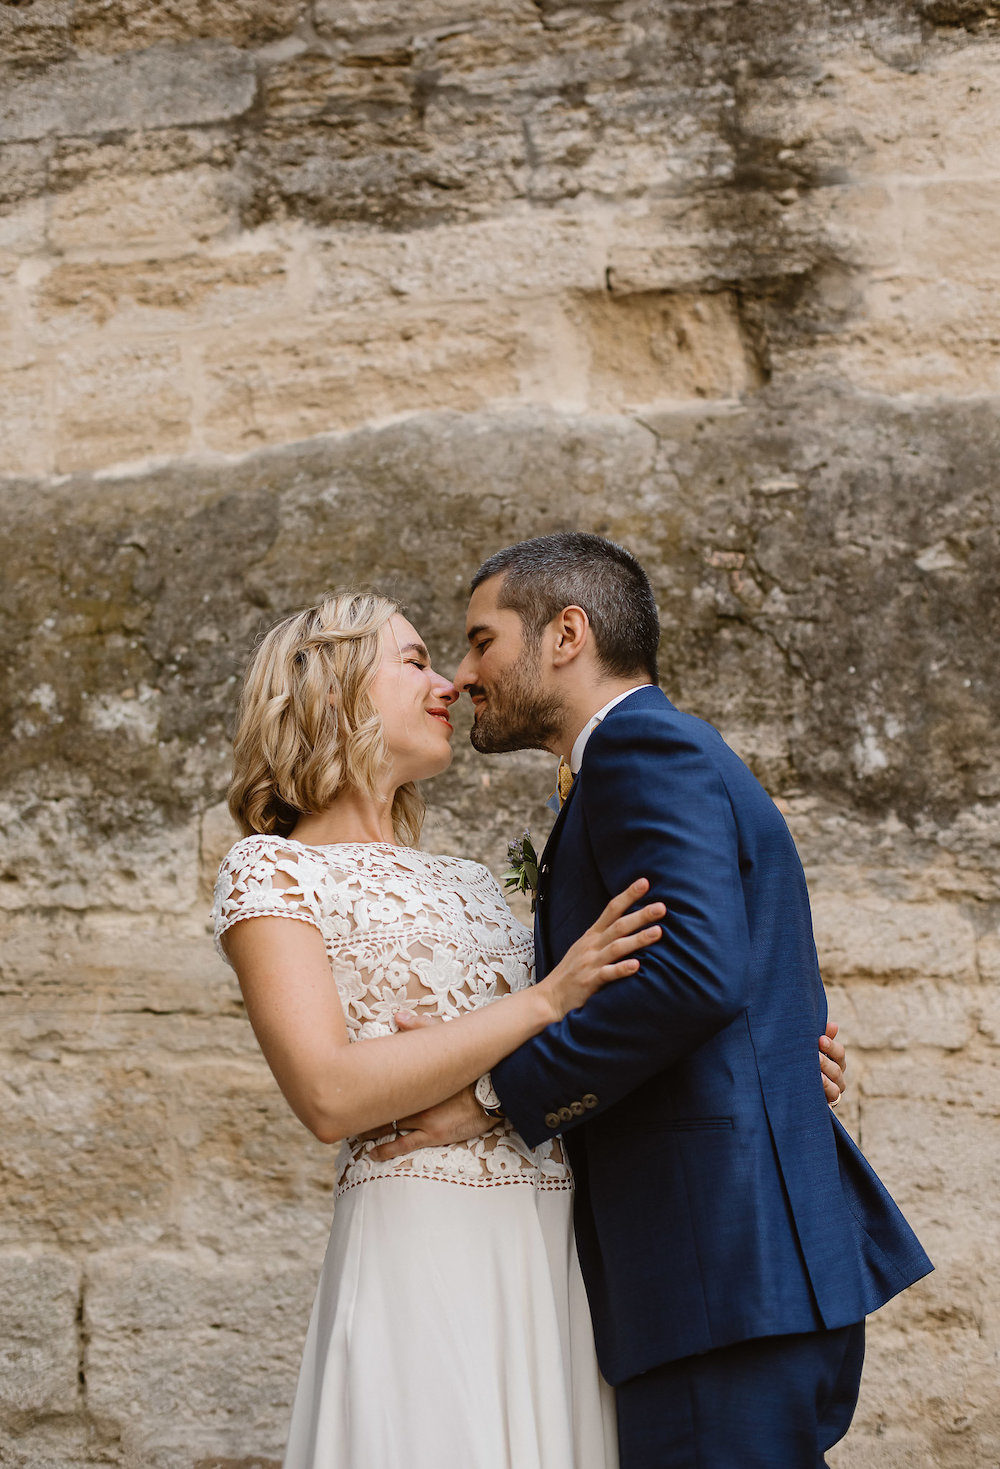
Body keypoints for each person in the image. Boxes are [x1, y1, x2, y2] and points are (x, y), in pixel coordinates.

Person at [212, 589, 847, 1469]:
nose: (448, 682)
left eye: (456, 653)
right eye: (416, 659)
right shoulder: (272, 872)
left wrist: (763, 1062)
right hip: (427, 1237)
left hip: (561, 1248)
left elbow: (635, 1014)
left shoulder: (476, 882)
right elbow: (327, 1092)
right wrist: (541, 1000)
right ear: (329, 691)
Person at [374, 533, 933, 1469]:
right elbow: (738, 969)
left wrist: (487, 1101)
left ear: (566, 633)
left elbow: (697, 975)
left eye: (481, 640)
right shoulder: (647, 755)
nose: (466, 672)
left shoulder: (642, 747)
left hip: (717, 1267)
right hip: (734, 1268)